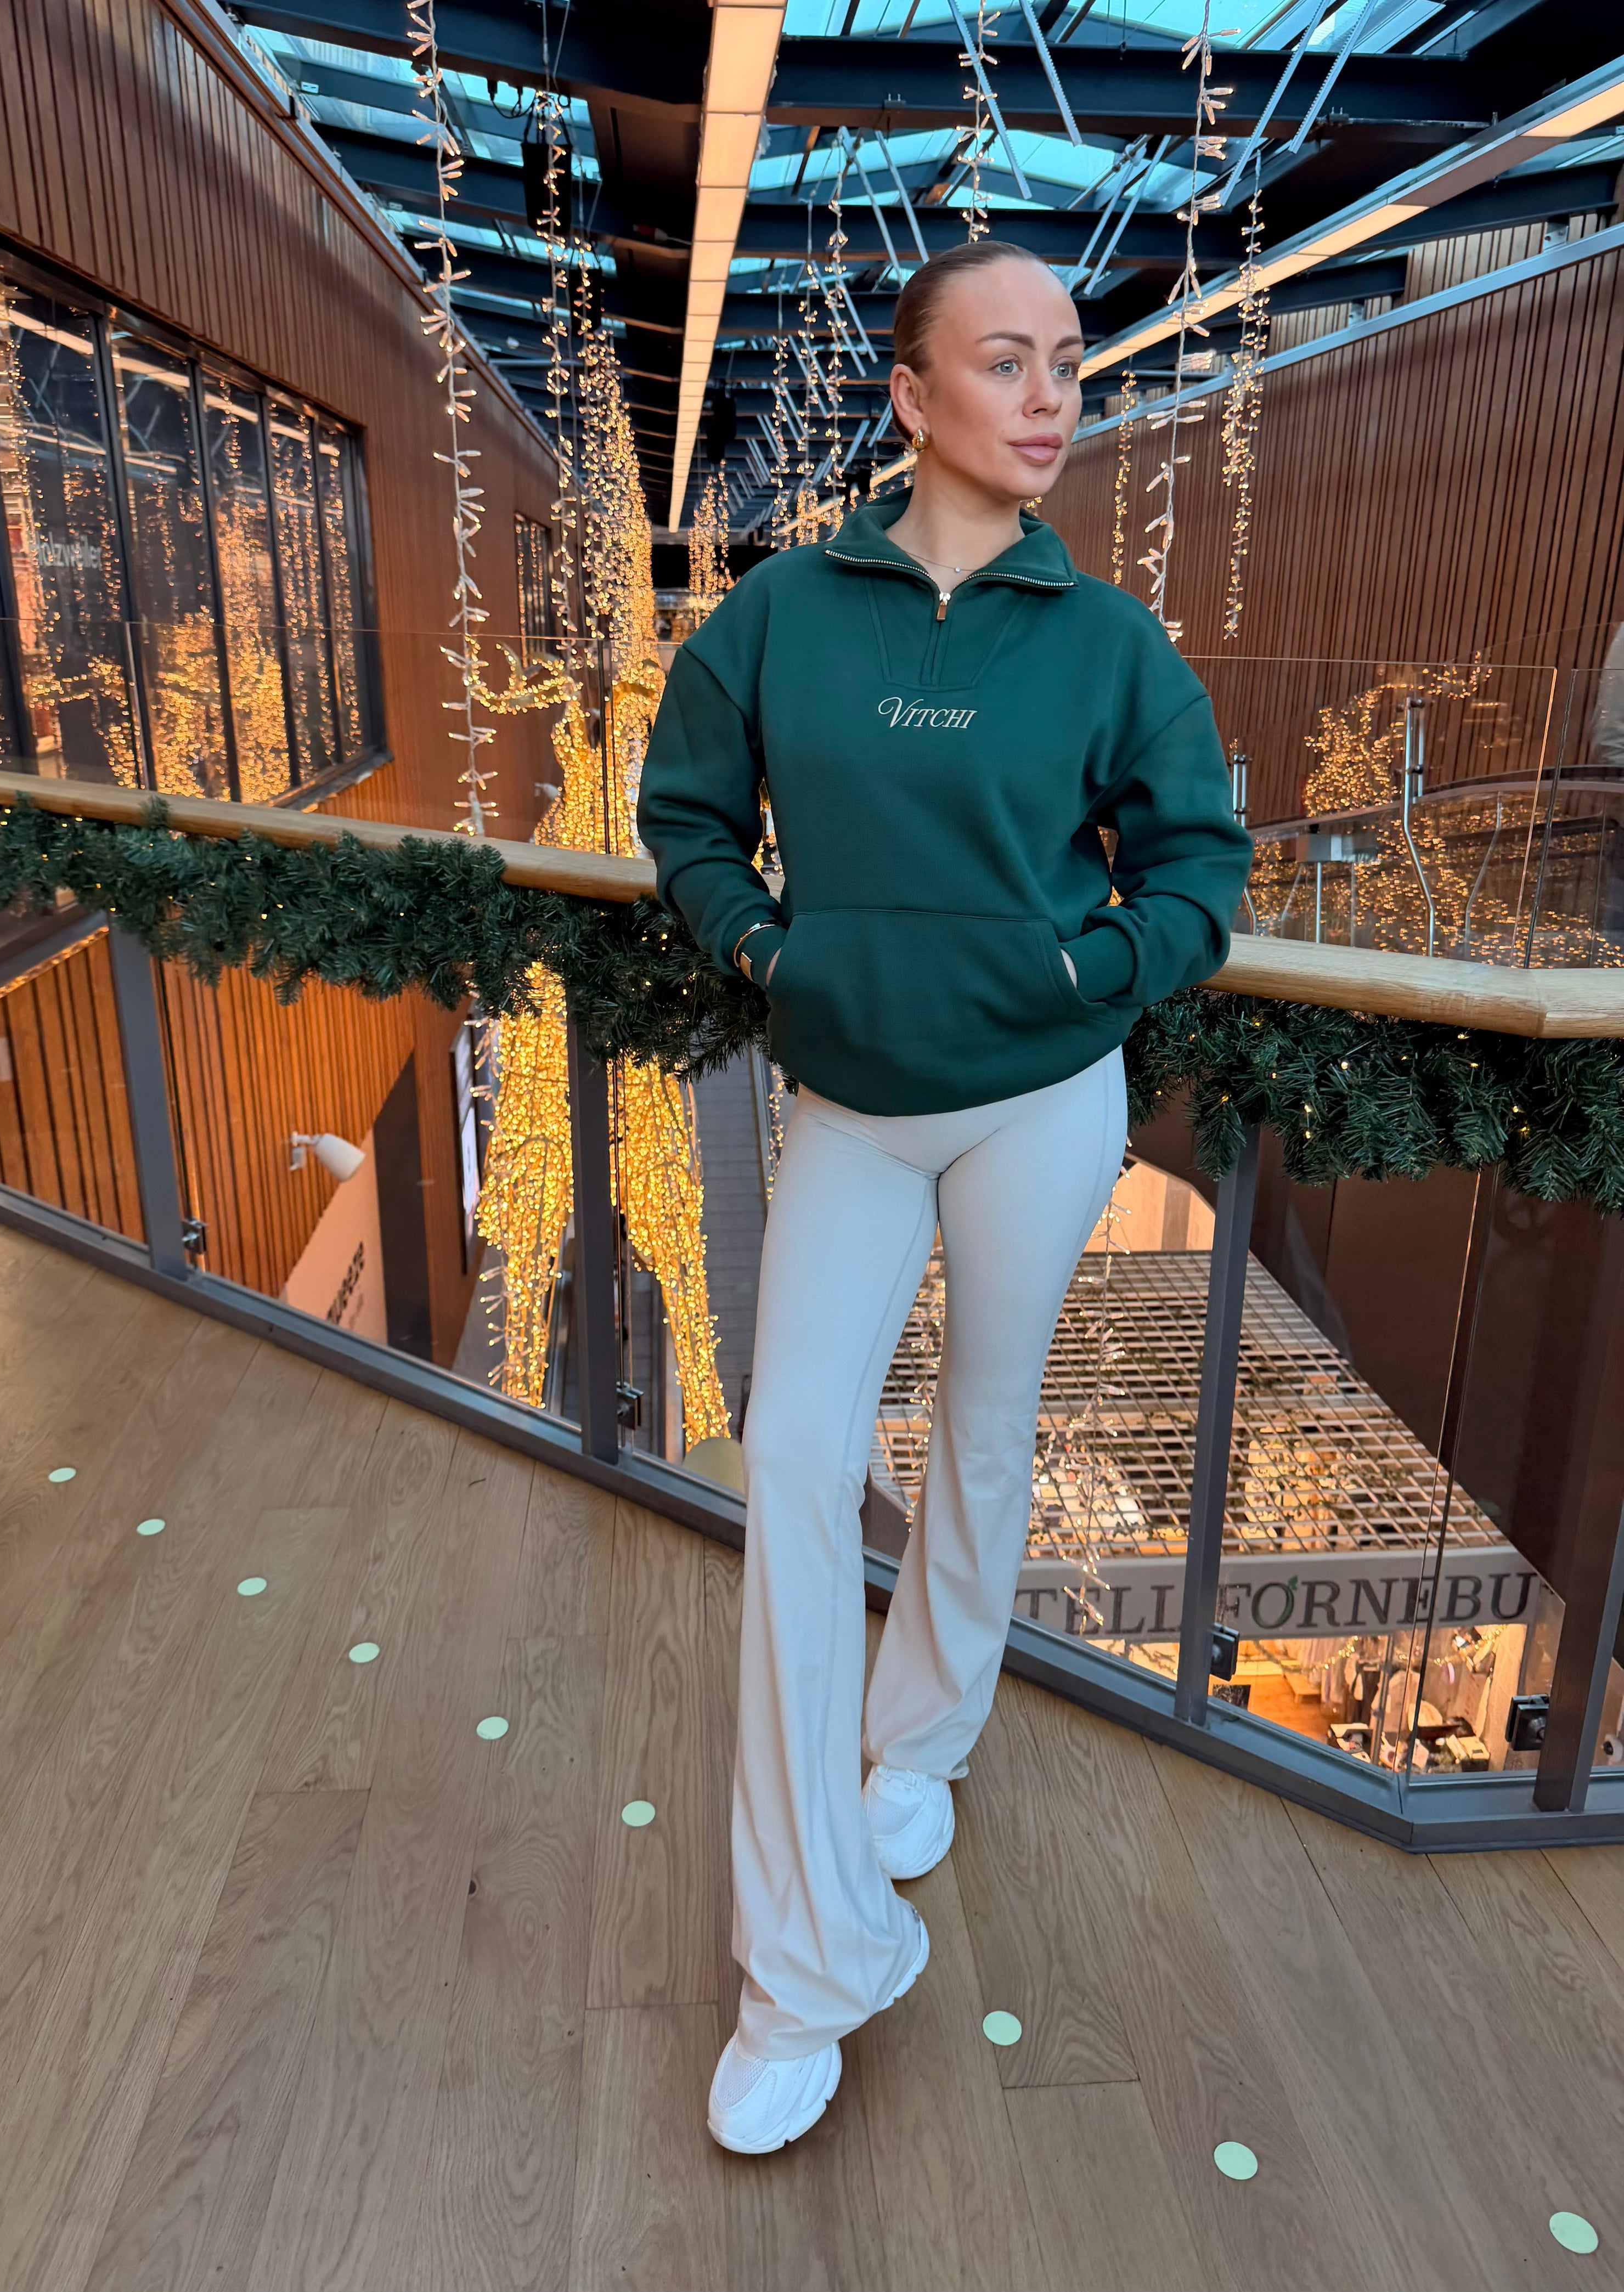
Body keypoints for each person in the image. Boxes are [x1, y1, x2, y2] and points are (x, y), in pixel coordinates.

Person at [636, 240, 1253, 2155]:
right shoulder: (777, 616)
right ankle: (807, 1958)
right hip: (852, 1099)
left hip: (1041, 1102)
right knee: (796, 1456)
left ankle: (923, 1734)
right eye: (1008, 361)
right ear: (911, 396)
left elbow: (1200, 863)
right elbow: (684, 815)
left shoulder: (1109, 640)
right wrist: (770, 953)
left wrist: (1092, 972)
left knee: (986, 1425)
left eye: (1070, 362)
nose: (1054, 396)